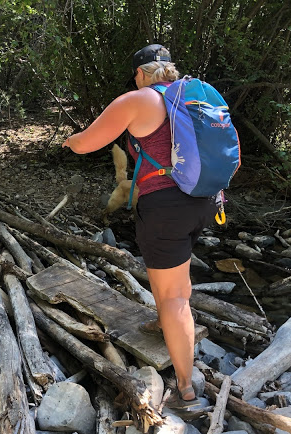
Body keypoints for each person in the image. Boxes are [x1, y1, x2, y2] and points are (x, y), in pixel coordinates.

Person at [62, 44, 216, 413]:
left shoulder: (139, 100)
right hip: (204, 200)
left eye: (135, 75)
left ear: (142, 73)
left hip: (165, 206)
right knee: (178, 283)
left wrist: (70, 141)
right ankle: (170, 326)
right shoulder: (194, 96)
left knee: (174, 296)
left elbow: (86, 144)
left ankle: (185, 389)